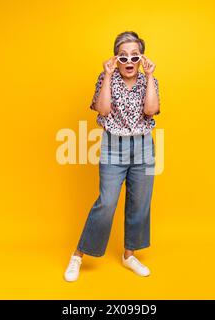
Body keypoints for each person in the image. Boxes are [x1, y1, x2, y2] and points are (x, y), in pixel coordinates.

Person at [64, 31, 160, 282]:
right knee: (107, 202)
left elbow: (150, 111)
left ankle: (129, 255)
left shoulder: (150, 80)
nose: (129, 62)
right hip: (112, 146)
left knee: (140, 203)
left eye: (135, 57)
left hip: (143, 147)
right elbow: (103, 109)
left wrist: (149, 77)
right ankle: (77, 255)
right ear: (116, 59)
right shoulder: (106, 78)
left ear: (142, 59)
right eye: (123, 57)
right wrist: (107, 75)